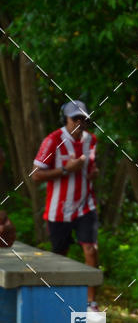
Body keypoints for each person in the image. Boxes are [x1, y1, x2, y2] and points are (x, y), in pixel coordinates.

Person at [31, 100, 100, 309]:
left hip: (85, 205)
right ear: (66, 119)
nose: (79, 122)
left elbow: (91, 168)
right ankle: (57, 298)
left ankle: (91, 301)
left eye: (83, 118)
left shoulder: (92, 140)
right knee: (60, 254)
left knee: (91, 249)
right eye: (75, 118)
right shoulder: (53, 141)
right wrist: (65, 170)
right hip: (58, 208)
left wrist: (92, 172)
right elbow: (35, 175)